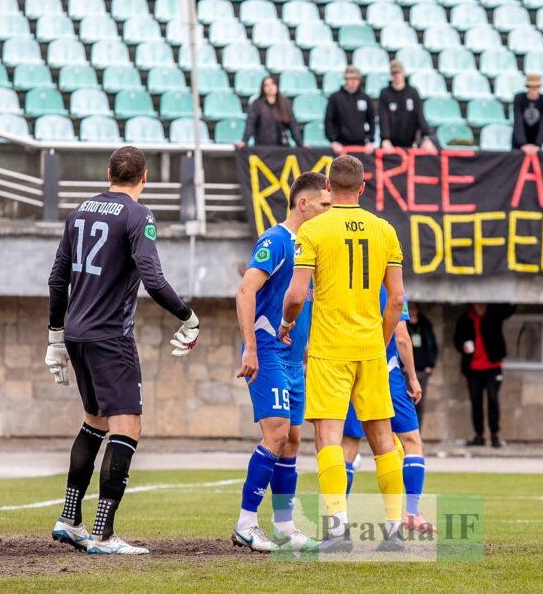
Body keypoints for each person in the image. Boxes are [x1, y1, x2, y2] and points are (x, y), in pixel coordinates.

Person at [45, 146, 200, 556]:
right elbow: (152, 276)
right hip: (111, 337)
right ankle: (102, 533)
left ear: (108, 172)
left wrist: (55, 336)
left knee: (94, 422)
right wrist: (187, 316)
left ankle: (69, 518)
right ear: (144, 178)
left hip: (77, 334)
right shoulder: (138, 214)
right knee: (127, 427)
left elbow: (57, 278)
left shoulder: (79, 211)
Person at [278, 154, 407, 552]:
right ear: (363, 188)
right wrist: (381, 340)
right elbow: (397, 299)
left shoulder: (314, 230)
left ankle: (337, 532)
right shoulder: (385, 230)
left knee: (328, 437)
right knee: (383, 438)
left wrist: (285, 324)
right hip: (369, 346)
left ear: (329, 189)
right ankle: (394, 531)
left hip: (329, 349)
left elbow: (297, 295)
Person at [231, 172, 330, 553]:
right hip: (269, 353)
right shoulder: (276, 240)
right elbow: (245, 291)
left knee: (291, 440)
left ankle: (286, 526)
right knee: (274, 434)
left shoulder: (310, 248)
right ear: (303, 204)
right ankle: (246, 523)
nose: (328, 211)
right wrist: (251, 348)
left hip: (293, 359)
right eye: (324, 205)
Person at [342, 289, 433, 534]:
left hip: (351, 370)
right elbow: (401, 338)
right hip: (386, 372)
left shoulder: (345, 284)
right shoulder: (390, 289)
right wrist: (412, 377)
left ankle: (337, 519)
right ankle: (411, 513)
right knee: (410, 441)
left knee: (349, 445)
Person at [453, 303, 516, 448]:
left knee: (493, 399)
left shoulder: (495, 313)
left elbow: (510, 308)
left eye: (483, 304)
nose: (480, 307)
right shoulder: (465, 319)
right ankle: (479, 435)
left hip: (492, 366)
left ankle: (495, 435)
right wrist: (463, 346)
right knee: (476, 401)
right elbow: (456, 339)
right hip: (473, 368)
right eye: (477, 304)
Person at [378, 60, 437, 151]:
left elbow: (420, 115)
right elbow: (383, 117)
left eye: (399, 72)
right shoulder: (385, 93)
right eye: (394, 73)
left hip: (410, 142)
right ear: (391, 74)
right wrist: (385, 139)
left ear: (403, 73)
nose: (397, 75)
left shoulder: (412, 92)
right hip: (390, 144)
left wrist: (426, 137)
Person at [238, 75, 302, 148]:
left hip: (281, 147)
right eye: (266, 85)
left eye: (272, 84)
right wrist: (244, 141)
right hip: (261, 147)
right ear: (263, 88)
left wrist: (300, 143)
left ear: (276, 86)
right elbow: (250, 124)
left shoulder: (285, 104)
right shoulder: (256, 104)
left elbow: (293, 125)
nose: (270, 87)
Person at [324, 65, 376, 154]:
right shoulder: (336, 97)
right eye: (350, 79)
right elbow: (329, 120)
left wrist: (370, 141)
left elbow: (371, 120)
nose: (353, 82)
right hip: (341, 145)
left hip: (361, 146)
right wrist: (333, 141)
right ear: (346, 79)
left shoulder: (365, 98)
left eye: (356, 79)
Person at [407, 302, 439, 427]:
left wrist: (430, 364)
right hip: (407, 371)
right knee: (407, 402)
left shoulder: (425, 325)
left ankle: (417, 432)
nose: (412, 311)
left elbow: (432, 345)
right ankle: (407, 433)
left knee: (419, 402)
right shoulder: (404, 326)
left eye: (414, 309)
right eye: (410, 309)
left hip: (422, 370)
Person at [512, 73, 543, 153]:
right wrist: (522, 143)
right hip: (519, 141)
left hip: (536, 139)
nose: (534, 90)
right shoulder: (519, 98)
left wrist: (538, 144)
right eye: (532, 87)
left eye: (536, 87)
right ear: (527, 87)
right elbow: (518, 121)